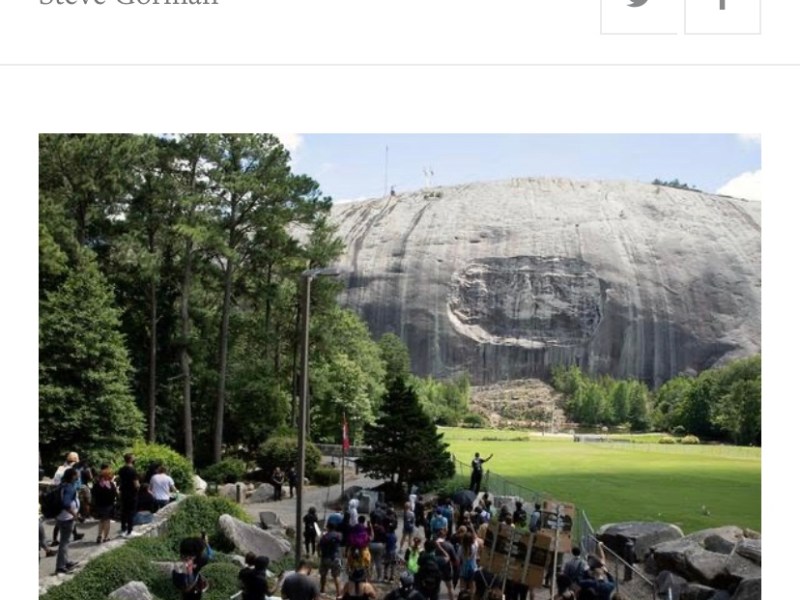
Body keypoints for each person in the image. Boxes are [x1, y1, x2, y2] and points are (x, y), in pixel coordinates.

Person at [50, 452, 84, 546]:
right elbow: (78, 485)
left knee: (62, 517)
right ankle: (59, 540)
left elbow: (55, 481)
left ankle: (57, 538)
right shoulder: (72, 471)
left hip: (59, 494)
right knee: (67, 516)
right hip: (69, 495)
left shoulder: (60, 468)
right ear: (75, 461)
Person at [54, 467, 81, 574]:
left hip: (60, 516)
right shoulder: (69, 488)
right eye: (77, 474)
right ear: (73, 476)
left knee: (65, 541)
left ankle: (65, 561)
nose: (78, 475)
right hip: (67, 518)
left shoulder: (62, 484)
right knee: (64, 542)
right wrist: (75, 515)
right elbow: (66, 504)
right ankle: (60, 566)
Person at [173, 534, 212, 599]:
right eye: (183, 556)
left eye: (188, 557)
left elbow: (209, 556)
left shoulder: (200, 562)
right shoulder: (181, 567)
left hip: (194, 591)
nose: (185, 558)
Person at [91, 466, 117, 543]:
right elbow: (114, 495)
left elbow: (93, 494)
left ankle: (99, 536)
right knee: (107, 521)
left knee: (101, 520)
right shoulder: (110, 485)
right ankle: (105, 537)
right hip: (108, 505)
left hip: (99, 505)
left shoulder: (97, 484)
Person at [318, 521, 343, 597]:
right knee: (336, 576)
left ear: (328, 527)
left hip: (325, 557)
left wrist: (319, 554)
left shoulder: (325, 536)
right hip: (336, 558)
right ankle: (338, 594)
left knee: (323, 575)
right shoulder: (339, 535)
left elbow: (319, 546)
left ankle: (322, 590)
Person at [117, 452, 139, 538]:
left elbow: (120, 481)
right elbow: (136, 484)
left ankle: (123, 529)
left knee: (124, 511)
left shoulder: (121, 469)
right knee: (131, 512)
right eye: (134, 457)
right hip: (131, 493)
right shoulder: (133, 470)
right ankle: (130, 531)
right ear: (131, 459)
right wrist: (139, 488)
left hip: (123, 492)